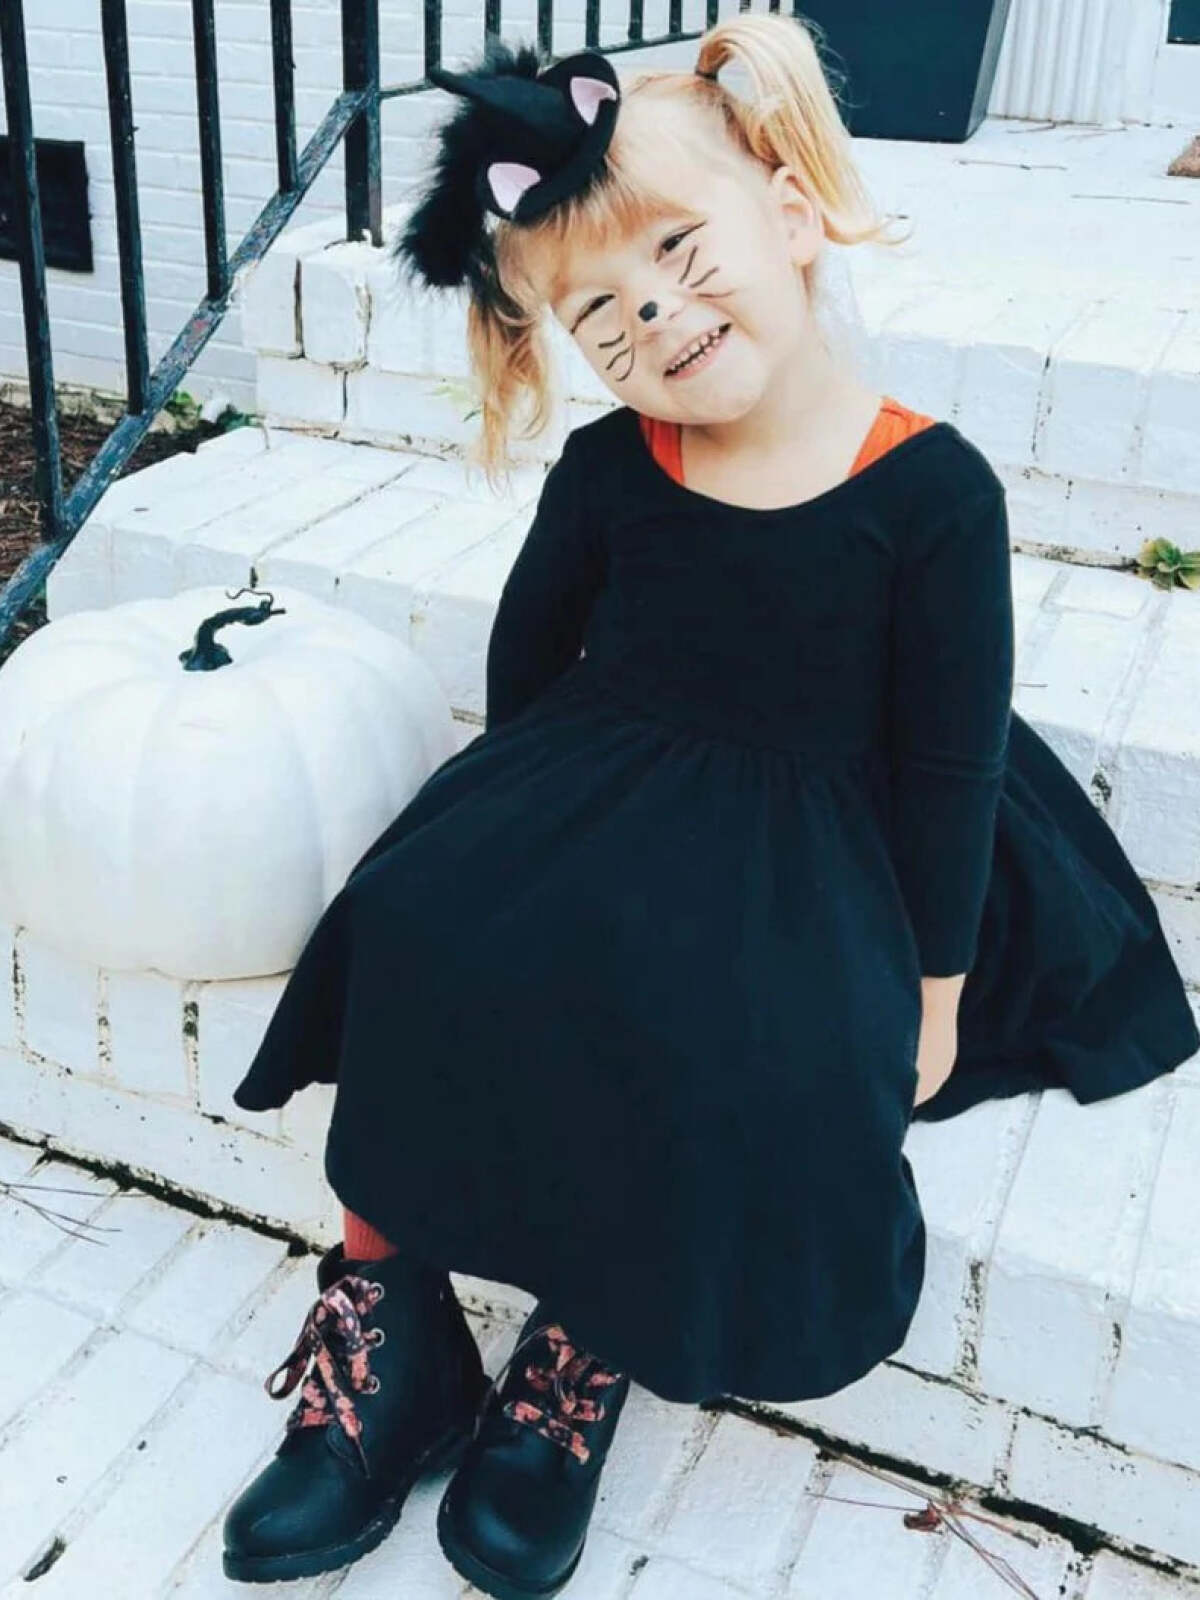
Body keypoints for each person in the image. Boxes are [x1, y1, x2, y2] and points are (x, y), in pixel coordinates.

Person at [221, 15, 1200, 1598]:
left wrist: (939, 984)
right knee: (421, 918)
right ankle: (387, 1324)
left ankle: (591, 1334)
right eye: (603, 315)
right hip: (621, 762)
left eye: (681, 253)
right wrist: (507, 847)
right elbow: (531, 662)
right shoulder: (617, 471)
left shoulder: (933, 496)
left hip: (832, 814)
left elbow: (947, 762)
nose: (655, 318)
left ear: (795, 213)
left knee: (719, 1023)